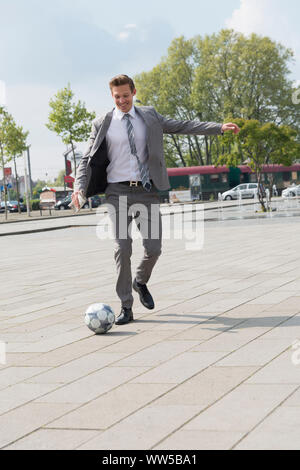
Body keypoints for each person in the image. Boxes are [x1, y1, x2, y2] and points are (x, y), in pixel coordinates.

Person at [72, 74, 240, 325]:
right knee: (122, 247)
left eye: (126, 96)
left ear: (134, 92)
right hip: (116, 192)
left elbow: (183, 125)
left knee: (154, 249)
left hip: (146, 191)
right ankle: (126, 306)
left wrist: (218, 128)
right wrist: (79, 188)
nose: (122, 101)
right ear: (112, 96)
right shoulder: (102, 123)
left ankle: (140, 281)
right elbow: (86, 159)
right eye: (117, 97)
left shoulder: (149, 116)